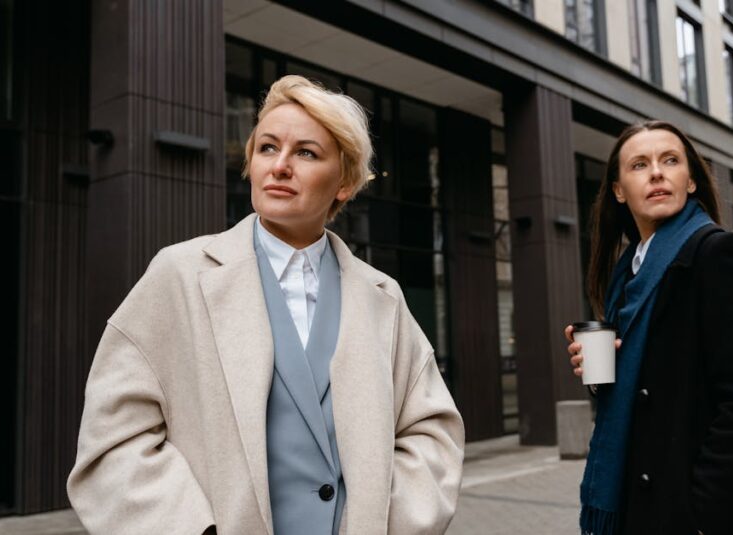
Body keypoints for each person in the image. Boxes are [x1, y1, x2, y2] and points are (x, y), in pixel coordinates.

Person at [67, 75, 464, 535]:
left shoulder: (383, 297)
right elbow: (114, 439)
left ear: (345, 183)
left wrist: (388, 521)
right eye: (267, 148)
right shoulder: (179, 274)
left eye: (306, 153)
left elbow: (432, 433)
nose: (279, 166)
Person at [565, 121, 733, 535]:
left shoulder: (716, 254)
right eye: (639, 164)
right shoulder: (627, 273)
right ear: (618, 189)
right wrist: (603, 371)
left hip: (690, 513)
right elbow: (647, 391)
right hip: (636, 500)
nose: (657, 173)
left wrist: (699, 510)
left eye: (670, 160)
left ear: (692, 180)